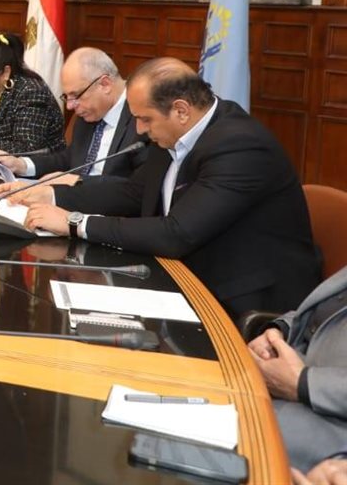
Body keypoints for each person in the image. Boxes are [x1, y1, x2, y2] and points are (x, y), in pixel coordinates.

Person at [17, 58, 321, 321]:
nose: (139, 129)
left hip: (245, 300)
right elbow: (134, 193)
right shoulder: (175, 134)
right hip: (187, 276)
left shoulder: (239, 146)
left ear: (181, 110)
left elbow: (177, 233)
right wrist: (53, 195)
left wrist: (75, 223)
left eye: (144, 119)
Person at [0, 47, 148, 185]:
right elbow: (71, 158)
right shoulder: (90, 112)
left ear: (105, 84)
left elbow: (137, 188)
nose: (70, 106)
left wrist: (79, 182)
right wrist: (21, 165)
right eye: (67, 97)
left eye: (76, 95)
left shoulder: (143, 118)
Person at [247, 266, 346, 472]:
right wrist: (279, 332)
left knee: (241, 430)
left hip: (333, 422)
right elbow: (322, 313)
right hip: (297, 376)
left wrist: (303, 383)